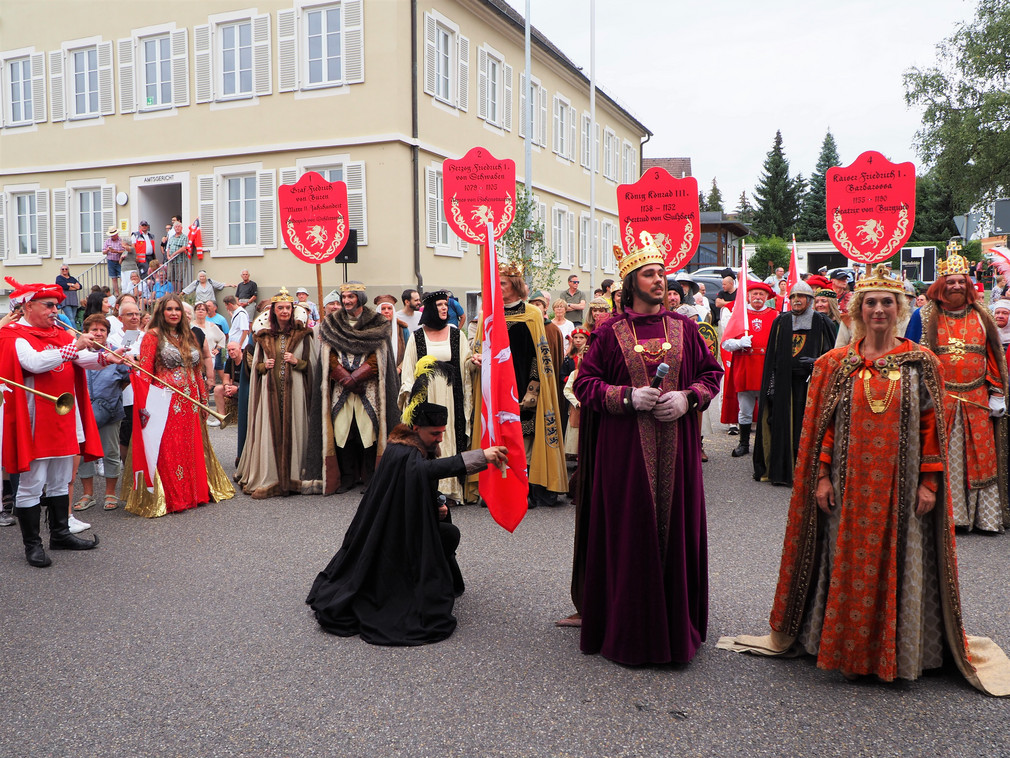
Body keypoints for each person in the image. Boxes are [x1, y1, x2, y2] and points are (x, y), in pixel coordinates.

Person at [718, 265, 1010, 696]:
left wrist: (929, 483)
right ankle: (849, 653)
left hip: (903, 489)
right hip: (847, 490)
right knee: (847, 566)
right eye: (869, 302)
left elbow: (933, 426)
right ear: (856, 309)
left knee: (900, 564)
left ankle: (896, 652)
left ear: (900, 308)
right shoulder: (837, 363)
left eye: (886, 302)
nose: (878, 309)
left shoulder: (921, 360)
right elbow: (823, 427)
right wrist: (820, 477)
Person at [571, 233, 723, 664]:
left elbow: (713, 374)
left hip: (679, 457)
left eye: (662, 274)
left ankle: (675, 631)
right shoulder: (609, 332)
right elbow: (583, 384)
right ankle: (629, 632)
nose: (660, 281)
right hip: (624, 460)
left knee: (676, 533)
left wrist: (688, 398)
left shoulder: (686, 329)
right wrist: (625, 397)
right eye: (650, 274)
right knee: (629, 537)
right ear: (630, 282)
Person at [306, 401, 508, 645]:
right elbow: (424, 472)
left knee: (447, 531)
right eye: (434, 434)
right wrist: (479, 457)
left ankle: (438, 579)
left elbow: (413, 486)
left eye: (442, 433)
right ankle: (421, 584)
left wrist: (436, 504)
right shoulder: (405, 452)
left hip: (397, 525)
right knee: (448, 534)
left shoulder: (408, 448)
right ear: (416, 428)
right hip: (392, 538)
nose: (439, 439)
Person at [0, 278, 118, 566]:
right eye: (49, 305)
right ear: (28, 306)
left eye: (56, 305)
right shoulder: (12, 334)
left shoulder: (60, 332)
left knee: (60, 478)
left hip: (64, 416)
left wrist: (107, 359)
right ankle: (32, 545)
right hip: (34, 418)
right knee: (32, 482)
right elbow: (35, 363)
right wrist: (74, 347)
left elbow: (81, 360)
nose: (56, 310)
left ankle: (60, 533)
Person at [909, 251, 1008, 532]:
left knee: (981, 460)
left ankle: (984, 519)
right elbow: (911, 355)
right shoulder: (924, 314)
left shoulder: (983, 315)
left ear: (968, 284)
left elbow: (993, 355)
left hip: (977, 400)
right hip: (940, 400)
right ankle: (950, 518)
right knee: (945, 459)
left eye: (961, 282)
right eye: (950, 282)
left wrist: (997, 392)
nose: (956, 287)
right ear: (941, 285)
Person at [121, 295, 234, 517]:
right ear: (161, 312)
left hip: (191, 401)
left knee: (189, 446)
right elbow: (146, 373)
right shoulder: (152, 336)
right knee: (169, 448)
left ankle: (193, 494)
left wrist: (203, 399)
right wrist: (146, 402)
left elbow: (196, 370)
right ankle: (173, 498)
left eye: (177, 310)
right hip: (165, 402)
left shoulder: (190, 335)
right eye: (169, 309)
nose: (174, 313)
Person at [308, 282, 400, 495]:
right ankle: (347, 477)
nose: (347, 301)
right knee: (342, 431)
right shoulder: (332, 324)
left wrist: (357, 377)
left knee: (368, 431)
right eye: (344, 297)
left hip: (368, 387)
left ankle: (370, 478)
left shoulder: (376, 323)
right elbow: (327, 355)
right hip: (341, 386)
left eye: (351, 296)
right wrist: (343, 377)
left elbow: (381, 357)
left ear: (360, 298)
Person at [753, 281, 837, 486]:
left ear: (809, 300)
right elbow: (772, 357)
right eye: (793, 297)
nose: (796, 300)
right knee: (782, 426)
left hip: (810, 385)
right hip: (784, 384)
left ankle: (809, 473)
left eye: (801, 297)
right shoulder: (781, 322)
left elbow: (834, 353)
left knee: (806, 427)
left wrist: (817, 363)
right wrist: (771, 386)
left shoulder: (821, 321)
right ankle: (782, 471)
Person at [236, 289, 317, 499]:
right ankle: (271, 477)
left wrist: (296, 362)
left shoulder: (303, 335)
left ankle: (293, 477)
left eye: (287, 308)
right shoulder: (263, 336)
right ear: (273, 311)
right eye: (280, 308)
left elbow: (312, 365)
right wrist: (264, 366)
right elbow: (254, 367)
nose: (284, 311)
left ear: (293, 310)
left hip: (296, 391)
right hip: (269, 392)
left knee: (295, 427)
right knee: (270, 429)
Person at [398, 290, 474, 505]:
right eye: (440, 305)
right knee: (428, 439)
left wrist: (474, 362)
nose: (444, 308)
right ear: (431, 308)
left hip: (451, 394)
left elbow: (464, 364)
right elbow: (409, 370)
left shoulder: (456, 335)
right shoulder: (417, 336)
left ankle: (450, 490)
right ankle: (429, 488)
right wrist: (409, 395)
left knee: (449, 436)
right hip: (426, 396)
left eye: (446, 305)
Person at [74, 314, 130, 512]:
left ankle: (110, 493)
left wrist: (110, 399)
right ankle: (87, 494)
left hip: (110, 412)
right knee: (81, 454)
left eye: (102, 330)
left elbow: (126, 378)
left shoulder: (116, 353)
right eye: (94, 330)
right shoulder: (77, 352)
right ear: (86, 332)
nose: (98, 333)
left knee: (111, 452)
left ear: (108, 333)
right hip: (82, 413)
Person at [720, 282, 777, 458]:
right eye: (754, 294)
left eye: (761, 294)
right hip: (745, 367)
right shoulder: (740, 316)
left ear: (767, 298)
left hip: (766, 367)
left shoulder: (776, 315)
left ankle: (765, 444)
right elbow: (725, 343)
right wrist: (739, 343)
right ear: (749, 297)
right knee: (744, 409)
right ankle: (744, 443)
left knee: (767, 410)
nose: (758, 297)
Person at [374, 293, 410, 369]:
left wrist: (399, 368)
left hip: (398, 373)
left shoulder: (403, 329)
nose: (386, 311)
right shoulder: (371, 329)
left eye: (389, 308)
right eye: (383, 309)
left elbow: (409, 353)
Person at [103, 226, 133, 297]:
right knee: (114, 278)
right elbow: (103, 251)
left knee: (122, 277)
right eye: (112, 235)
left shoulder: (121, 240)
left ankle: (124, 291)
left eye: (114, 234)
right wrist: (108, 250)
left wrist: (116, 251)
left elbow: (125, 250)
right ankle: (117, 293)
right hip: (111, 261)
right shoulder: (107, 241)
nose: (113, 236)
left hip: (120, 261)